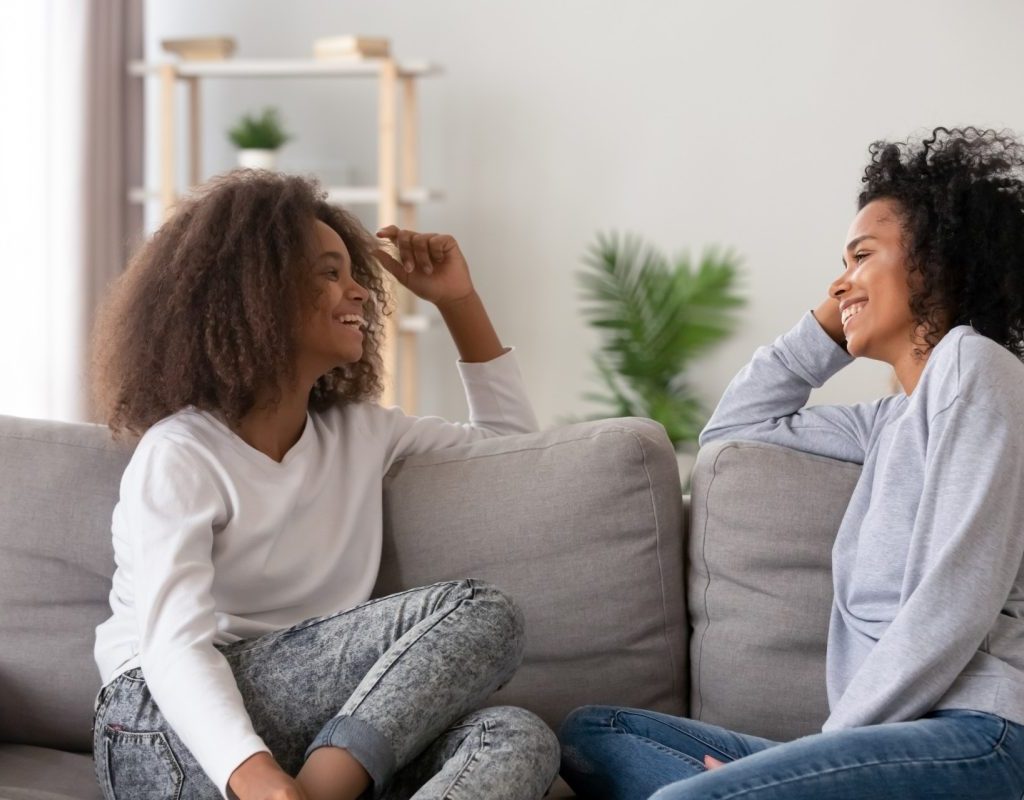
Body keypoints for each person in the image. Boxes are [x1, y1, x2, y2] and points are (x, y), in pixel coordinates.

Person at [558, 127, 1024, 799]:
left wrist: (830, 752)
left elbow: (954, 601)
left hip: (979, 736)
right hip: (885, 740)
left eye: (862, 256)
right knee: (592, 733)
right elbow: (737, 428)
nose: (840, 283)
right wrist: (836, 318)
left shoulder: (978, 366)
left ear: (935, 260)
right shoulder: (888, 423)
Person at [90, 170, 559, 800]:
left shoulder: (361, 434)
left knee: (514, 735)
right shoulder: (180, 453)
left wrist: (457, 301)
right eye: (329, 272)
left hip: (310, 734)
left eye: (353, 272)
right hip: (161, 728)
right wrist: (261, 785)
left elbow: (512, 453)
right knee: (481, 610)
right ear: (255, 294)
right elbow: (174, 648)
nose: (361, 291)